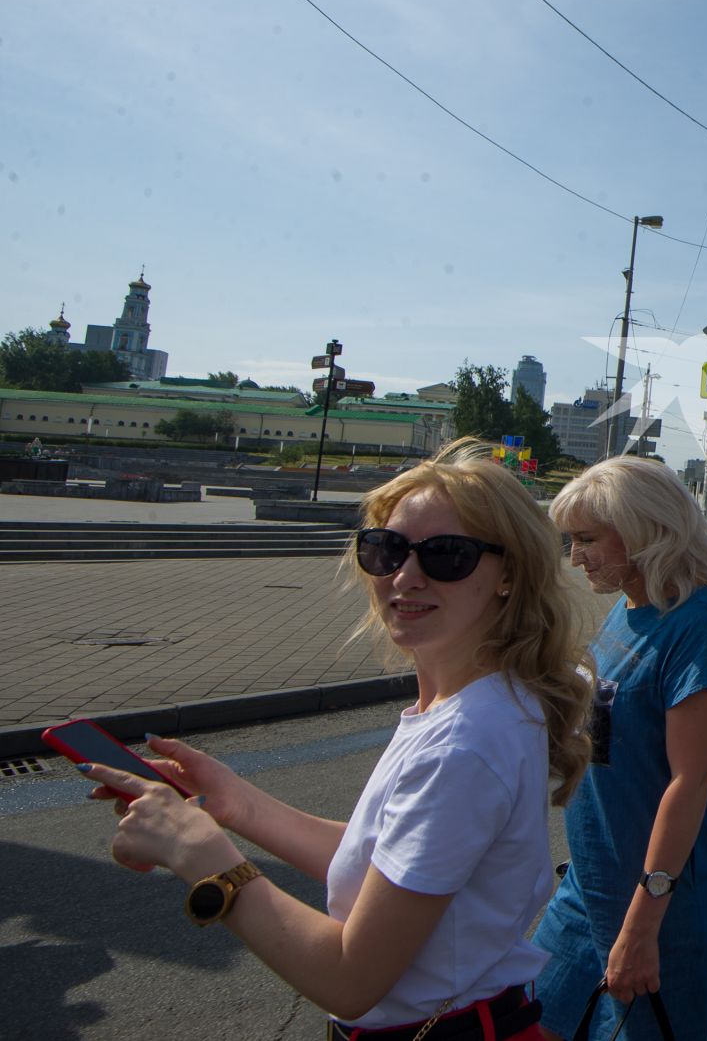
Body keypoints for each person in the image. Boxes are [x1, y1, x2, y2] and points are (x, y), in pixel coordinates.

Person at [82, 439, 591, 1039]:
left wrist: (201, 854)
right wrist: (235, 804)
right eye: (387, 548)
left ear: (509, 576)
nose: (406, 575)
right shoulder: (478, 703)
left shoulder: (465, 741)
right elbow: (385, 872)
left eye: (447, 555)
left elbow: (350, 980)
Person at [535, 457, 707, 1041]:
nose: (575, 558)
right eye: (572, 541)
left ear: (644, 528)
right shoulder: (627, 610)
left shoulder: (695, 623)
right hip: (590, 883)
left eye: (587, 539)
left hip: (658, 904)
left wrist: (643, 925)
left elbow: (689, 782)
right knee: (530, 1022)